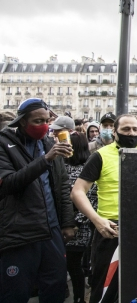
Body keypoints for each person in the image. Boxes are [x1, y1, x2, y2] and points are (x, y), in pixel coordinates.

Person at [0, 98, 76, 303]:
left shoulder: (48, 143)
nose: (43, 125)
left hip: (51, 231)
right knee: (15, 292)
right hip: (20, 232)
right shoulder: (4, 144)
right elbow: (8, 184)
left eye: (46, 120)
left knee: (55, 287)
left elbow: (62, 186)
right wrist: (45, 160)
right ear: (22, 121)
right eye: (37, 121)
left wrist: (67, 222)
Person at [71, 114, 137, 303]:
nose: (131, 133)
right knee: (104, 289)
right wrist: (97, 221)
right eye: (126, 130)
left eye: (135, 129)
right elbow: (77, 192)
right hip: (110, 231)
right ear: (115, 132)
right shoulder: (101, 155)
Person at [64, 131, 97, 303]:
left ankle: (78, 297)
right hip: (75, 225)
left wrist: (73, 222)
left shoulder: (87, 169)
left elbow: (91, 199)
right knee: (73, 265)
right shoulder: (62, 166)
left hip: (77, 226)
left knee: (74, 265)